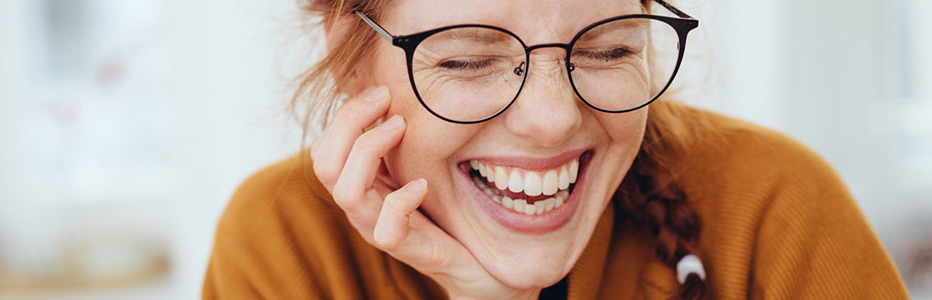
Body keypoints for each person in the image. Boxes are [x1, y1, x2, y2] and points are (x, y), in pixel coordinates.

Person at [202, 0, 910, 299]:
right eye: (467, 61)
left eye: (607, 49)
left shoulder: (775, 205)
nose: (551, 119)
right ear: (349, 61)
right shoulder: (285, 242)